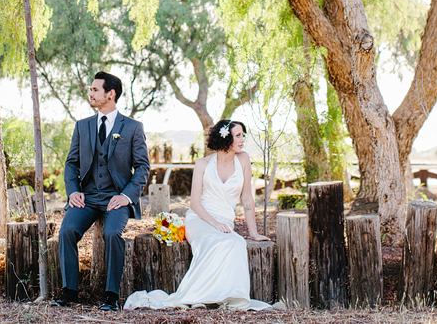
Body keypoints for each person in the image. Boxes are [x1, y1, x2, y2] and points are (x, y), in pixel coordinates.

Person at [124, 119, 273, 310]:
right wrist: (213, 222)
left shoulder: (243, 159)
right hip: (200, 218)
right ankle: (196, 295)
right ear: (225, 138)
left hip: (225, 219)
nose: (242, 139)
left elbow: (247, 198)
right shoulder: (203, 164)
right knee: (218, 242)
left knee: (236, 242)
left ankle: (227, 295)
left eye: (243, 135)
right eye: (238, 135)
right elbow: (194, 202)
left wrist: (253, 232)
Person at [53, 72, 150, 311]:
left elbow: (143, 167)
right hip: (86, 197)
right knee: (66, 231)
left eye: (95, 90)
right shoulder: (82, 126)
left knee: (111, 235)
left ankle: (111, 296)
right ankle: (70, 292)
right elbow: (71, 163)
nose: (91, 93)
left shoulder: (133, 127)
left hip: (116, 198)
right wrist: (73, 190)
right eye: (91, 89)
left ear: (111, 94)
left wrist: (126, 196)